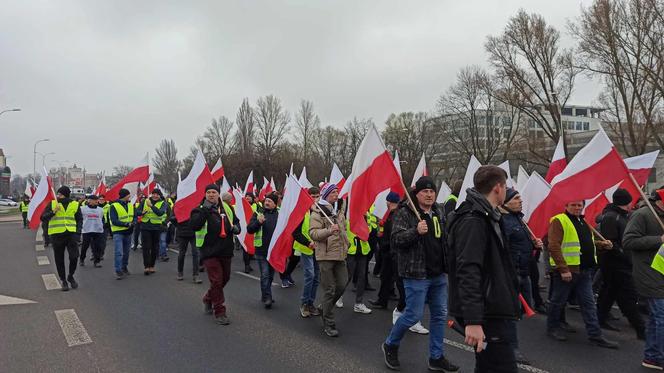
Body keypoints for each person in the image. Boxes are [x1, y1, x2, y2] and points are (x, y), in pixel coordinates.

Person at [446, 166, 519, 372]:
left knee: (488, 366)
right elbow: (468, 270)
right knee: (502, 367)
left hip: (491, 306)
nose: (507, 191)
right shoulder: (473, 220)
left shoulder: (488, 216)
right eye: (506, 186)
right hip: (486, 312)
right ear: (498, 188)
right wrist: (473, 321)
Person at [382, 176, 457, 372]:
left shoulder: (439, 210)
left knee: (440, 315)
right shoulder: (404, 213)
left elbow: (445, 238)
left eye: (432, 191)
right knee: (412, 314)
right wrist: (415, 231)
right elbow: (396, 239)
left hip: (438, 274)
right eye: (425, 191)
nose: (429, 194)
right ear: (417, 194)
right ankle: (390, 344)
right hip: (416, 273)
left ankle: (436, 357)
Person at [546, 200, 618, 349]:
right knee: (558, 301)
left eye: (580, 205)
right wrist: (563, 269)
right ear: (566, 206)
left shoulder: (583, 222)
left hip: (584, 271)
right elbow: (553, 245)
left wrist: (601, 245)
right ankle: (552, 327)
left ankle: (595, 335)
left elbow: (585, 244)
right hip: (568, 272)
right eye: (573, 204)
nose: (577, 207)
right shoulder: (559, 220)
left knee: (589, 304)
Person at [370, 191, 430, 335]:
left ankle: (402, 312)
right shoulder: (397, 214)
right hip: (394, 255)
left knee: (405, 288)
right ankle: (400, 313)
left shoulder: (401, 214)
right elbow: (395, 237)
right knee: (399, 286)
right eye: (425, 192)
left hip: (399, 256)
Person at [500, 187, 543, 364]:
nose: (520, 201)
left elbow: (521, 245)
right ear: (506, 202)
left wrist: (534, 245)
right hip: (512, 274)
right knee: (510, 314)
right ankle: (511, 350)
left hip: (524, 273)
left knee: (520, 312)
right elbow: (502, 249)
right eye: (516, 198)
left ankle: (501, 341)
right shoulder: (504, 222)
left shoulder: (519, 219)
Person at [623, 188, 664, 370]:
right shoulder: (643, 214)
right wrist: (659, 239)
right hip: (649, 272)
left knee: (658, 318)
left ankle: (653, 356)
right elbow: (629, 242)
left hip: (661, 270)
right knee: (661, 316)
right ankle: (656, 356)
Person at [596, 188, 645, 339]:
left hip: (621, 262)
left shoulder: (623, 216)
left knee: (610, 292)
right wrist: (624, 255)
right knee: (627, 294)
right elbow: (611, 242)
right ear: (627, 202)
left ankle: (600, 318)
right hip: (615, 263)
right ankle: (640, 327)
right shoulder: (611, 217)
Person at [190, 184, 240, 325]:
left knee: (225, 278)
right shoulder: (199, 209)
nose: (211, 194)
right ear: (205, 194)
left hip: (226, 250)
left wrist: (237, 228)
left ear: (218, 194)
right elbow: (194, 225)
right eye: (208, 192)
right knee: (217, 281)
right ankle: (220, 311)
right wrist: (205, 210)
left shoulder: (227, 208)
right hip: (209, 251)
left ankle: (208, 298)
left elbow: (236, 222)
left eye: (214, 192)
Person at [309, 183, 349, 337]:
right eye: (333, 192)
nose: (336, 194)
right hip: (325, 256)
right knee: (330, 289)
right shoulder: (317, 213)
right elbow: (313, 233)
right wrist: (328, 231)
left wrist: (347, 243)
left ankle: (324, 308)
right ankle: (329, 323)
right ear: (326, 194)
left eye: (337, 191)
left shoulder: (338, 211)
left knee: (342, 284)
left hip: (340, 254)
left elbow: (343, 230)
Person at [40, 186, 82, 291]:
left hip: (71, 234)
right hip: (56, 235)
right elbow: (43, 217)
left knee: (74, 257)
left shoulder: (75, 204)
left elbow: (79, 220)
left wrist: (78, 233)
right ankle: (63, 280)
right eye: (58, 194)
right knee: (59, 259)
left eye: (60, 194)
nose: (58, 196)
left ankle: (70, 276)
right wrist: (53, 212)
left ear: (66, 195)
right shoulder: (53, 204)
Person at [247, 192, 280, 308]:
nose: (266, 202)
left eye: (270, 201)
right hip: (261, 250)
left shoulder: (280, 214)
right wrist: (258, 222)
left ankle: (265, 294)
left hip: (274, 251)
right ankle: (268, 297)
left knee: (270, 276)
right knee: (265, 274)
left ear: (275, 204)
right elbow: (249, 229)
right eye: (266, 200)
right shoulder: (258, 213)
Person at [293, 187, 321, 318]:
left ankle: (311, 303)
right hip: (306, 248)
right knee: (310, 275)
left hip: (318, 249)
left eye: (317, 196)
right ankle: (304, 304)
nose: (315, 199)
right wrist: (308, 242)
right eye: (313, 196)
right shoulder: (301, 212)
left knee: (316, 277)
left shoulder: (321, 211)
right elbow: (296, 233)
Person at [343, 211, 374, 314]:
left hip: (363, 250)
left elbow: (368, 230)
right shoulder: (349, 213)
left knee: (362, 276)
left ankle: (359, 303)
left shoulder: (367, 215)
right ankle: (338, 296)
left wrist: (363, 223)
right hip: (351, 250)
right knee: (348, 276)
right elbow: (347, 230)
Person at [137, 189, 167, 275]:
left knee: (154, 247)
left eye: (157, 194)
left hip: (156, 228)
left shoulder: (163, 203)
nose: (155, 196)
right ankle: (146, 266)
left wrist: (151, 206)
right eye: (154, 194)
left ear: (160, 195)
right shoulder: (145, 201)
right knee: (146, 247)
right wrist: (141, 212)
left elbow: (160, 213)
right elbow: (137, 212)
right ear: (151, 194)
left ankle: (152, 266)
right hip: (145, 227)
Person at [110, 188, 136, 280]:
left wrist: (134, 222)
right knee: (119, 252)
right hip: (118, 232)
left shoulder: (130, 205)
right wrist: (126, 224)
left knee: (126, 252)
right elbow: (114, 220)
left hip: (128, 232)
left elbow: (134, 216)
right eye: (128, 195)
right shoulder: (114, 206)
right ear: (124, 196)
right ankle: (118, 270)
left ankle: (124, 267)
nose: (130, 196)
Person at [176, 202, 201, 283]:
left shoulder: (196, 205)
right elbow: (173, 218)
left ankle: (196, 275)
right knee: (182, 253)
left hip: (194, 233)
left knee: (196, 253)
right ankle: (180, 272)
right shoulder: (179, 205)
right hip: (182, 233)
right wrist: (179, 225)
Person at [79, 195, 105, 268]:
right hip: (87, 230)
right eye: (94, 200)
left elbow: (102, 218)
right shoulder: (83, 209)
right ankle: (82, 259)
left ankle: (97, 261)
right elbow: (80, 219)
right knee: (85, 246)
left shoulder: (100, 209)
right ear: (89, 200)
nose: (96, 201)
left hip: (98, 230)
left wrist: (102, 226)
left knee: (98, 247)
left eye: (97, 200)